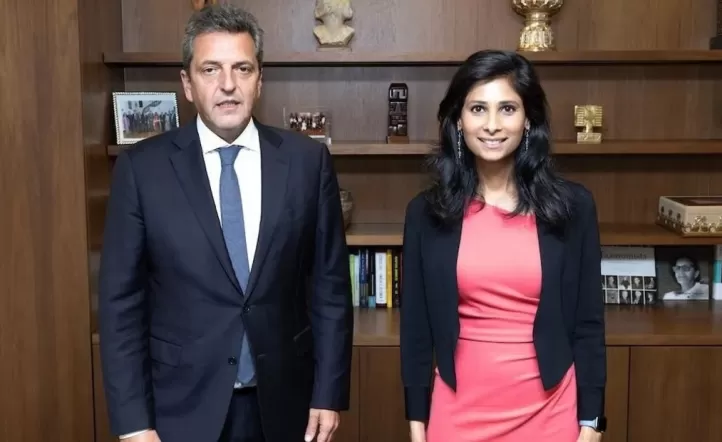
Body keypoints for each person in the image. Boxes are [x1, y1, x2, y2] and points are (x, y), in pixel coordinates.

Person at [98, 4, 353, 442]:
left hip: (285, 404)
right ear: (187, 84)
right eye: (210, 69)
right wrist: (134, 423)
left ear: (260, 79)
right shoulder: (141, 170)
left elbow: (330, 288)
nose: (228, 84)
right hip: (179, 409)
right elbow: (121, 306)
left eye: (242, 68)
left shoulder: (307, 163)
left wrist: (328, 394)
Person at [399, 50, 607, 442]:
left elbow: (589, 322)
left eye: (507, 109)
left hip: (550, 409)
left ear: (528, 119)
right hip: (458, 410)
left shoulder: (573, 207)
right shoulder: (426, 213)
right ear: (458, 120)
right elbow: (416, 329)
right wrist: (416, 422)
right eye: (478, 109)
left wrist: (592, 420)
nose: (492, 125)